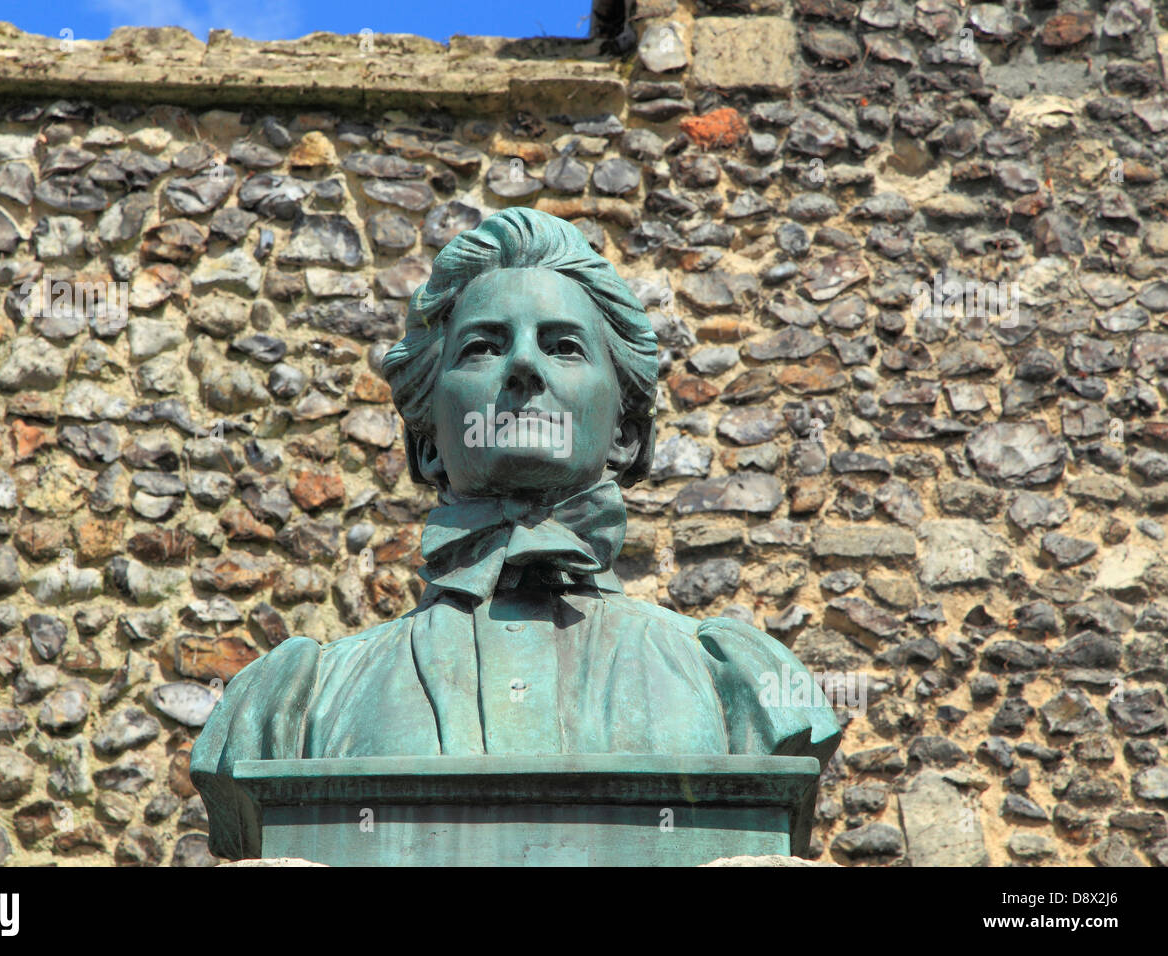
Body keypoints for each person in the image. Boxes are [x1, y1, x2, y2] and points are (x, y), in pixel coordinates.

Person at [191, 207, 841, 860]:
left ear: (625, 434)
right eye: (484, 346)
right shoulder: (292, 708)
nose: (523, 366)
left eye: (562, 345)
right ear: (427, 445)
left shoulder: (746, 692)